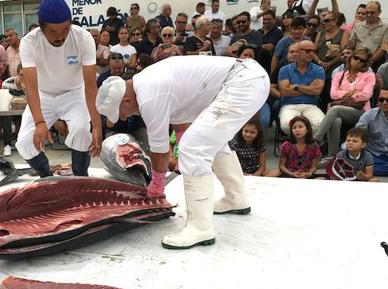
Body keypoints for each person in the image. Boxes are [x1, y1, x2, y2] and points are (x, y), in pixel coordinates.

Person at [96, 56, 270, 250]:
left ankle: (200, 227)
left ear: (126, 100)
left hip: (242, 83)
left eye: (122, 112)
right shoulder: (147, 82)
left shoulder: (148, 96)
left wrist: (157, 184)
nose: (125, 117)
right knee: (213, 142)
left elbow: (160, 150)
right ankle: (236, 198)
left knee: (193, 147)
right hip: (247, 78)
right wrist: (180, 137)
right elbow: (181, 117)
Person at [15, 0, 101, 178]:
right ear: (41, 28)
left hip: (74, 94)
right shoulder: (29, 42)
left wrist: (97, 125)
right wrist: (40, 123)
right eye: (53, 31)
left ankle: (81, 176)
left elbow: (91, 86)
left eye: (65, 30)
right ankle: (46, 176)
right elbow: (31, 88)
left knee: (81, 132)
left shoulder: (83, 38)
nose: (60, 36)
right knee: (24, 142)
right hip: (43, 95)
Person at [316, 48, 375, 158]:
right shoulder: (339, 74)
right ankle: (332, 156)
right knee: (335, 120)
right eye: (356, 58)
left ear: (365, 63)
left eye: (362, 60)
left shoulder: (369, 75)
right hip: (342, 110)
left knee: (334, 109)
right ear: (351, 57)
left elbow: (366, 95)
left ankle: (315, 140)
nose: (358, 61)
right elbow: (333, 94)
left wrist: (347, 94)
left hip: (361, 110)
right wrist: (353, 93)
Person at [278, 40, 325, 135]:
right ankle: (300, 145)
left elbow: (317, 91)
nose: (311, 54)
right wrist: (309, 87)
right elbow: (284, 92)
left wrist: (295, 86)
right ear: (298, 51)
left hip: (311, 105)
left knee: (321, 124)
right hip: (289, 105)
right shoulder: (285, 69)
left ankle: (306, 145)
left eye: (313, 51)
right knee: (286, 125)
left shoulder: (318, 70)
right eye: (307, 51)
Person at [354, 88, 388, 175]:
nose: (384, 103)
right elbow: (357, 134)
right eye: (381, 100)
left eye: (387, 100)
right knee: (348, 148)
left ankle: (369, 169)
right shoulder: (369, 115)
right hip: (373, 155)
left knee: (362, 167)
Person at [348, 1, 388, 71]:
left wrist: (368, 62)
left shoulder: (385, 27)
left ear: (379, 12)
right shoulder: (358, 25)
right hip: (357, 62)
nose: (369, 15)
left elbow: (383, 49)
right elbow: (351, 46)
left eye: (372, 12)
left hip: (375, 63)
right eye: (367, 12)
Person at [258, 9, 283, 74]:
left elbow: (269, 47)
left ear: (274, 20)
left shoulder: (277, 32)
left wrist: (255, 45)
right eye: (264, 19)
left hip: (269, 68)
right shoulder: (259, 31)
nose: (266, 21)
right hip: (258, 66)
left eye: (269, 19)